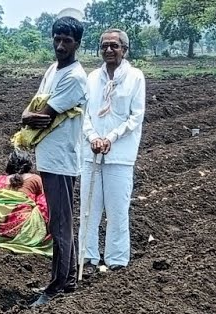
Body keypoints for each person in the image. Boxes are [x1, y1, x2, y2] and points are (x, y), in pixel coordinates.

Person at [18, 15, 88, 309]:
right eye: (57, 39)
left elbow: (42, 114)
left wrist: (27, 117)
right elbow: (32, 108)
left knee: (60, 222)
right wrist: (27, 116)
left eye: (67, 40)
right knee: (57, 220)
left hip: (61, 159)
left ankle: (59, 284)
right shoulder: (52, 70)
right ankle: (63, 279)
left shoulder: (74, 77)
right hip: (47, 156)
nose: (60, 45)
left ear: (77, 43)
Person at [81, 28, 147, 273]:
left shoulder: (135, 77)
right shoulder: (91, 78)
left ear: (124, 50)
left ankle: (117, 260)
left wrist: (109, 138)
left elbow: (135, 117)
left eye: (114, 46)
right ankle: (87, 258)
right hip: (91, 153)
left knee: (118, 211)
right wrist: (93, 137)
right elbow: (84, 114)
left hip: (120, 155)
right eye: (104, 46)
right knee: (89, 210)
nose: (109, 50)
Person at [0, 149, 52, 256]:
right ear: (28, 165)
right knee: (45, 200)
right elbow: (45, 208)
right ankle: (42, 236)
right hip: (25, 234)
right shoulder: (34, 179)